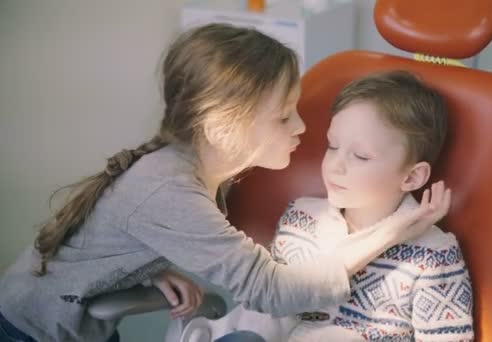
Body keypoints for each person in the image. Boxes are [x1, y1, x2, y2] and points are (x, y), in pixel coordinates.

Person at [0, 25, 448, 342]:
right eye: (283, 115)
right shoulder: (169, 190)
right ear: (220, 128)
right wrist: (395, 229)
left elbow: (123, 232)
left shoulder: (184, 169)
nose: (300, 127)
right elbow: (270, 291)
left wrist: (152, 267)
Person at [212, 70, 472, 341]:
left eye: (361, 156)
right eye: (332, 146)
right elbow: (273, 306)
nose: (335, 165)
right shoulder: (301, 218)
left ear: (411, 177)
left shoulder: (433, 255)